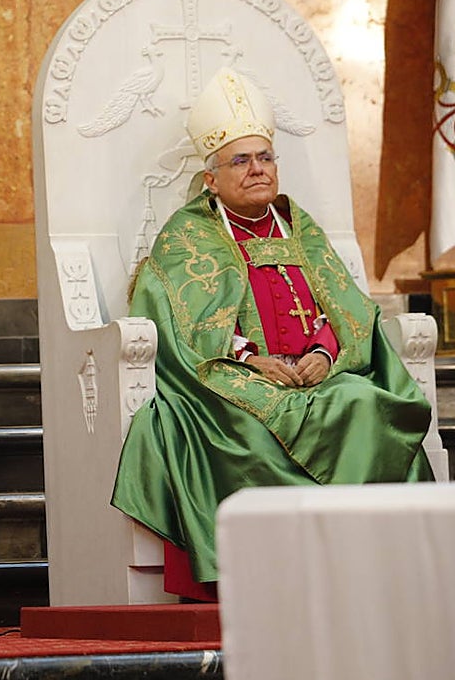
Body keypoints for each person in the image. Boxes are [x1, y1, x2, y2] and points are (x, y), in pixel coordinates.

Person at [111, 67, 434, 601]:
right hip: (235, 379)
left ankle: (373, 567)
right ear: (211, 178)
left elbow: (347, 309)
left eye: (265, 158)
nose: (257, 170)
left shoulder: (298, 226)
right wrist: (249, 358)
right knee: (256, 428)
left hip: (315, 375)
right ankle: (285, 579)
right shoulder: (187, 236)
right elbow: (182, 328)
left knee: (360, 400)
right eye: (240, 160)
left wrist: (326, 354)